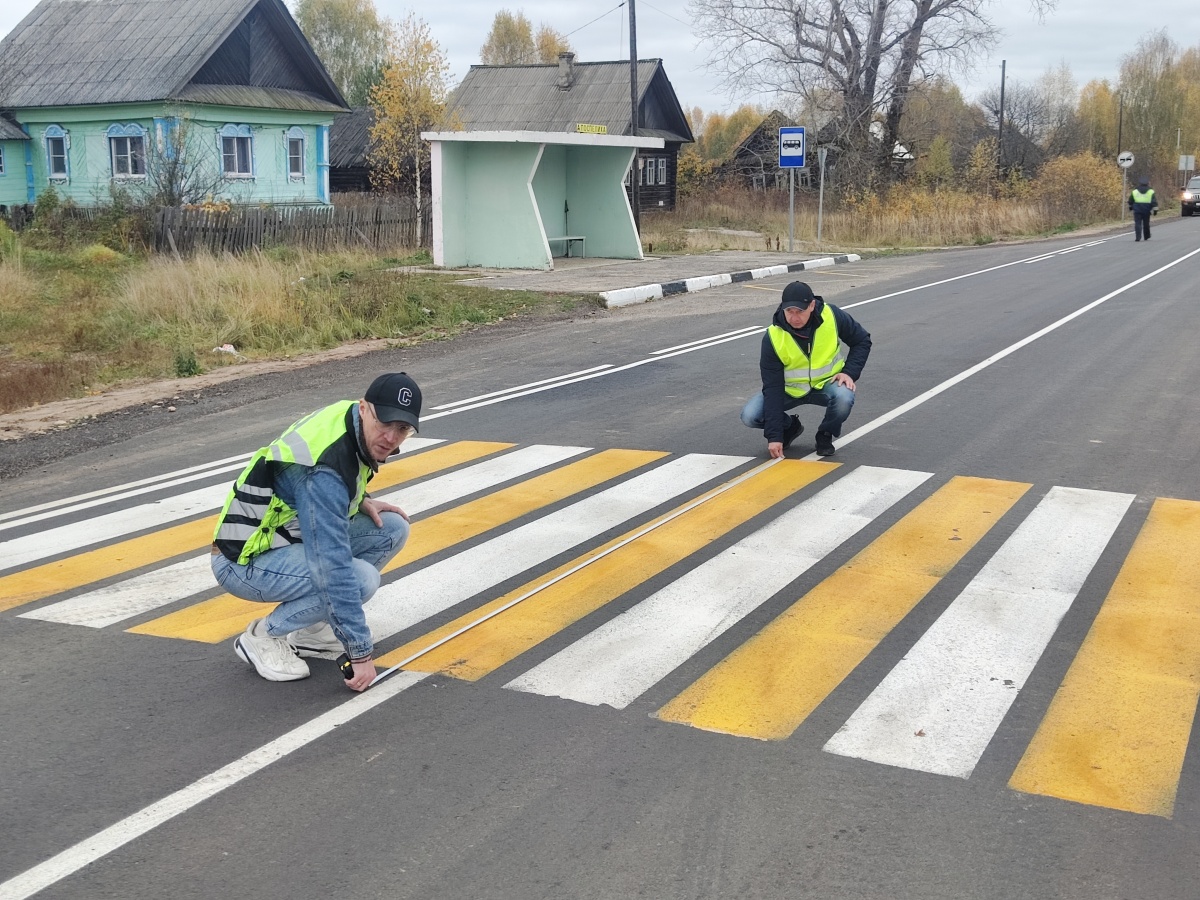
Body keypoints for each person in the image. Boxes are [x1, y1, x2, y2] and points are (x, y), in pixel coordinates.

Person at [211, 372, 421, 691]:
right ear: (365, 408)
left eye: (402, 429)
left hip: (286, 537)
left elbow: (336, 477)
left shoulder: (350, 420)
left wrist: (360, 499)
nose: (391, 438)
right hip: (243, 559)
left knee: (392, 528)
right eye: (385, 424)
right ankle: (265, 636)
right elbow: (330, 566)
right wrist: (360, 652)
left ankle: (312, 630)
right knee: (358, 579)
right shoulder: (323, 473)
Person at [741, 281, 871, 458]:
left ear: (811, 305)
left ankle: (825, 434)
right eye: (789, 312)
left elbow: (862, 340)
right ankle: (790, 427)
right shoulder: (773, 336)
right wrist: (775, 435)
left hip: (826, 385)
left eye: (800, 311)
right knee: (750, 415)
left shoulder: (831, 315)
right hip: (789, 392)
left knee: (844, 397)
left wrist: (849, 373)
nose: (794, 318)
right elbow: (772, 387)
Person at [1129, 176, 1158, 241]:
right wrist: (1155, 210)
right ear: (1147, 183)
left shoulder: (1135, 191)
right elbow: (1154, 201)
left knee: (1137, 223)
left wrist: (1130, 207)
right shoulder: (1151, 191)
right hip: (1147, 209)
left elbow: (1131, 200)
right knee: (1146, 223)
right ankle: (1146, 236)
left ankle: (1138, 237)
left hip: (1137, 209)